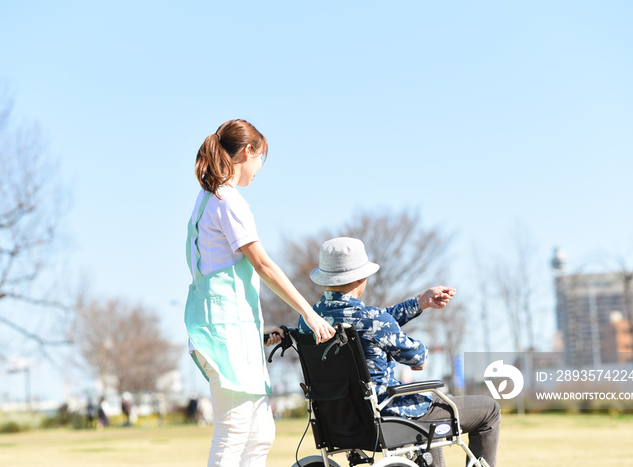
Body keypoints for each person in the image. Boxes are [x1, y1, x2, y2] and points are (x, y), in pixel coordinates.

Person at [184, 119, 335, 466]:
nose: (259, 169)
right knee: (234, 431)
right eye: (260, 158)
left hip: (227, 329)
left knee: (260, 434)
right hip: (224, 334)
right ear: (248, 151)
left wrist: (257, 333)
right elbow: (264, 266)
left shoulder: (207, 198)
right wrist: (310, 315)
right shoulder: (227, 199)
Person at [298, 237, 500, 467]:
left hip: (337, 422)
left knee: (433, 413)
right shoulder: (373, 320)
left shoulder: (307, 321)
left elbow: (379, 322)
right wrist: (421, 354)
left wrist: (420, 302)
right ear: (361, 278)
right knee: (488, 410)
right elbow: (417, 356)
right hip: (388, 415)